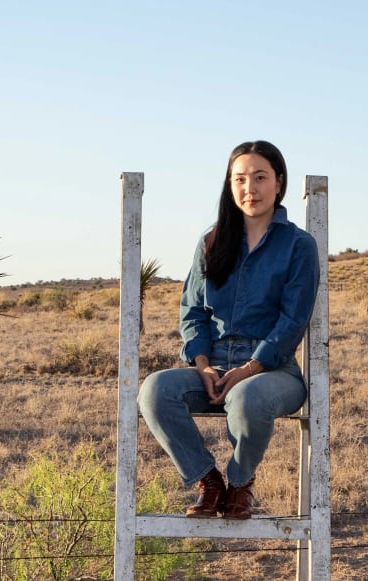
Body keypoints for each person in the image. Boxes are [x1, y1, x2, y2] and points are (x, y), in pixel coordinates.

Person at [137, 140, 319, 519]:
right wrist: (202, 365)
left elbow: (292, 321)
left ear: (279, 183)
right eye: (240, 179)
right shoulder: (211, 241)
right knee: (154, 391)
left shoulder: (299, 246)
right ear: (229, 185)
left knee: (248, 397)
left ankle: (240, 483)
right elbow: (192, 311)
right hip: (212, 365)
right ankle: (209, 481)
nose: (249, 188)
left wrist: (249, 369)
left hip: (273, 371)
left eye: (259, 177)